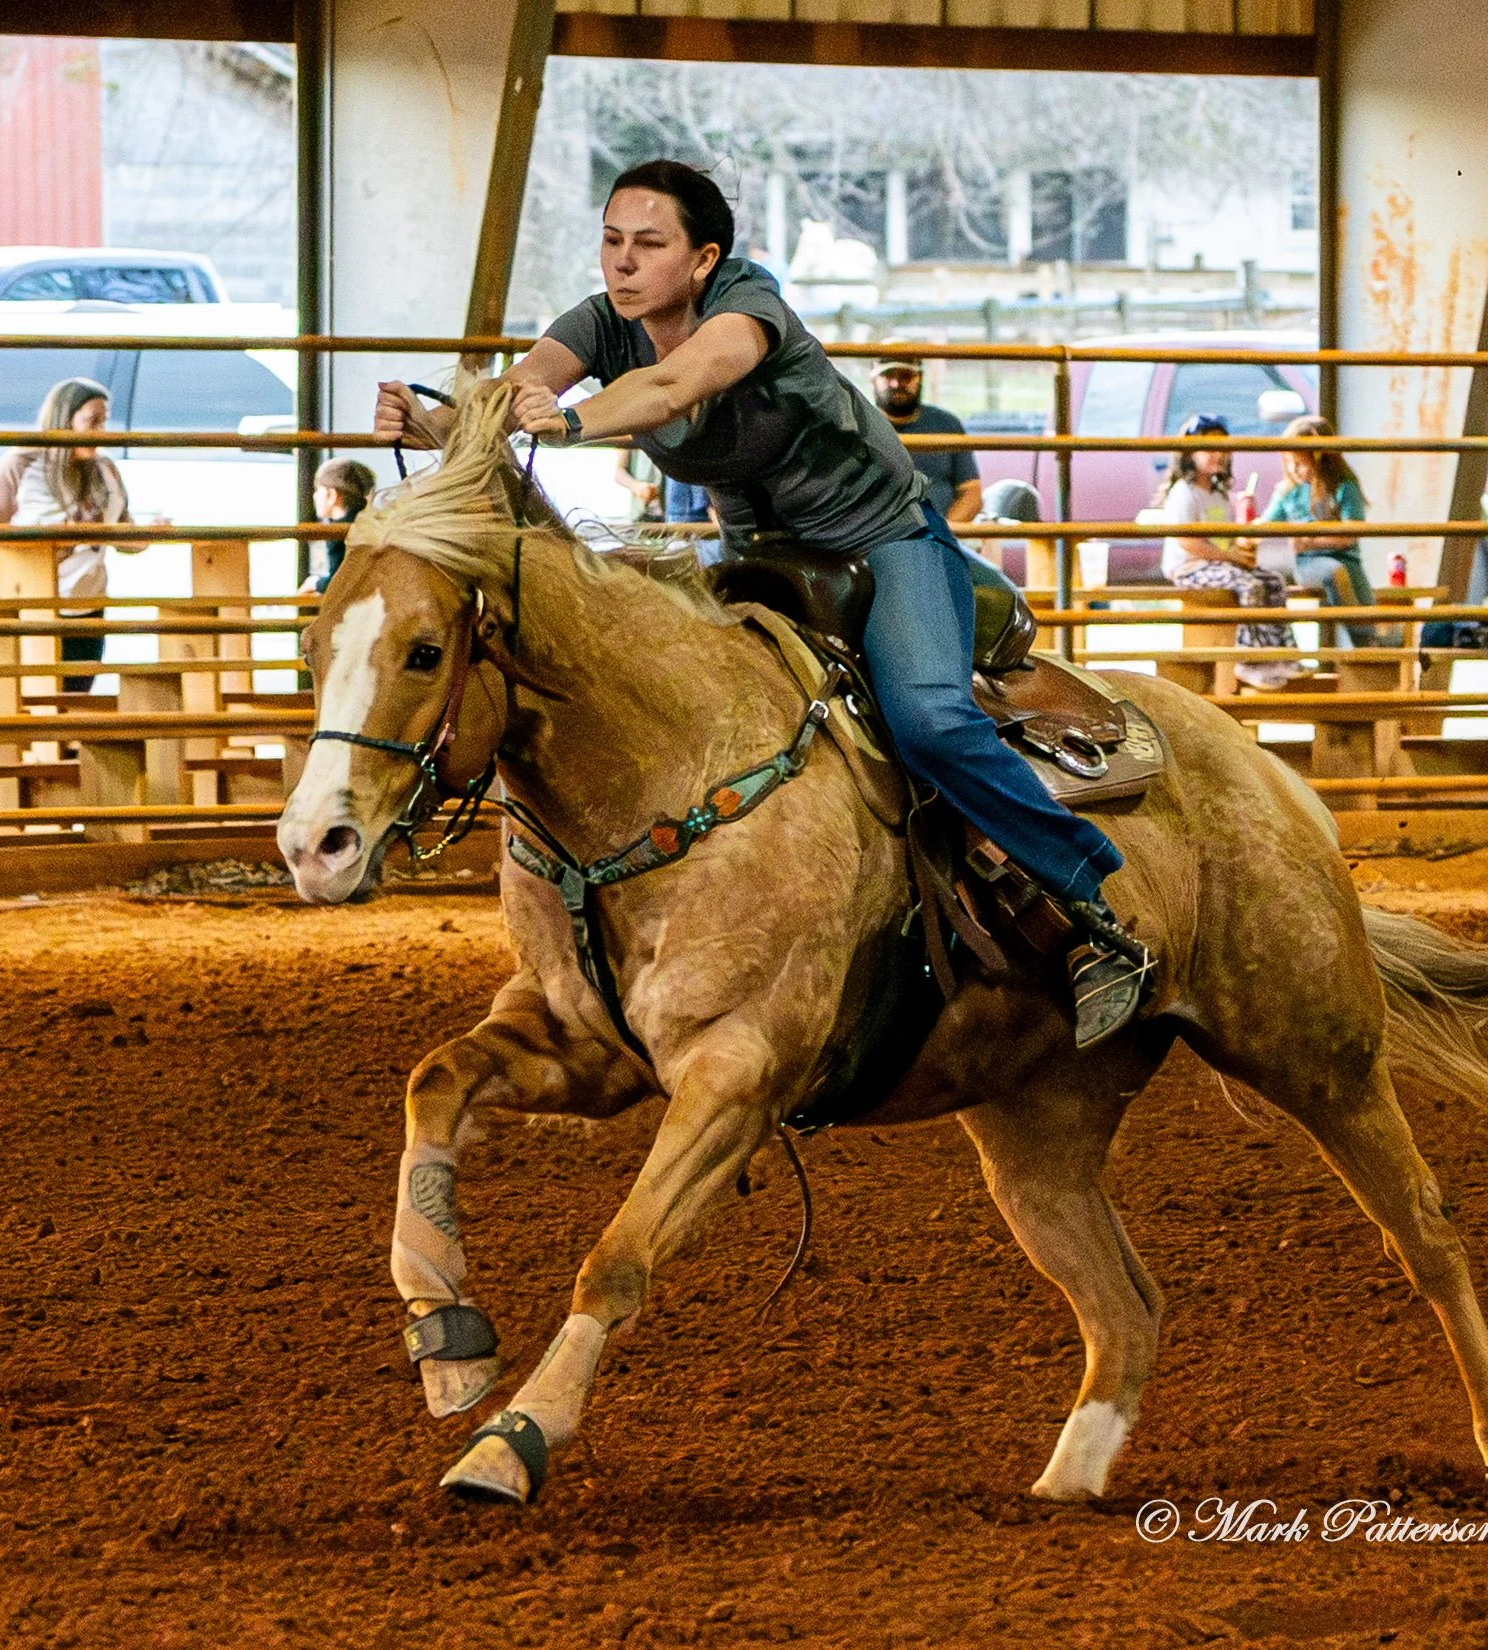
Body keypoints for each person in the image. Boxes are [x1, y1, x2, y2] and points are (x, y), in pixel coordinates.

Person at [373, 160, 1148, 1048]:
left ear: (703, 260)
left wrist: (575, 424)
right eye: (612, 241)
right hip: (756, 558)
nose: (623, 264)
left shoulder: (749, 314)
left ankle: (1095, 906)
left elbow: (670, 388)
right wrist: (441, 424)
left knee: (931, 720)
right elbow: (518, 392)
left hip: (885, 542)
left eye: (649, 245)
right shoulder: (599, 324)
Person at [0, 377, 137, 691]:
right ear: (63, 420)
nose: (100, 433)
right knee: (31, 700)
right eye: (91, 422)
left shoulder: (105, 469)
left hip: (87, 605)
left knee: (76, 697)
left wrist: (143, 537)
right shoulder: (20, 465)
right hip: (29, 609)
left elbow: (124, 530)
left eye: (104, 422)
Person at [1158, 414, 1299, 690]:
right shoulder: (1184, 492)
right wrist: (1230, 557)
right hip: (1189, 567)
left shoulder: (1218, 493)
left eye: (1224, 448)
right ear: (1189, 454)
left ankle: (1283, 654)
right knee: (1250, 584)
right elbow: (1187, 541)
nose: (1218, 455)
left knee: (1273, 581)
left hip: (1217, 564)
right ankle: (1250, 661)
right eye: (1210, 449)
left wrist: (1240, 548)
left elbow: (1222, 538)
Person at [1260, 414, 1377, 647]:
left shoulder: (1343, 486)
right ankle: (1365, 642)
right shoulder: (1288, 492)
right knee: (1335, 573)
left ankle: (1373, 649)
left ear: (1321, 458)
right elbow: (1265, 523)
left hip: (1350, 562)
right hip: (1309, 564)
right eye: (1290, 462)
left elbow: (1349, 534)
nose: (1294, 470)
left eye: (1300, 463)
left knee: (1369, 610)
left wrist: (1310, 540)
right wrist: (1247, 525)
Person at [869, 354, 982, 525]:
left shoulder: (946, 424)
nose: (896, 384)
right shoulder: (854, 426)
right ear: (873, 380)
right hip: (874, 541)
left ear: (920, 378)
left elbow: (971, 493)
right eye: (888, 375)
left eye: (906, 376)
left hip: (942, 540)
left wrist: (943, 535)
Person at [301, 457, 378, 594]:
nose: (315, 496)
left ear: (331, 495)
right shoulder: (368, 521)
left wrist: (315, 583)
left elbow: (340, 582)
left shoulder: (339, 531)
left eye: (318, 490)